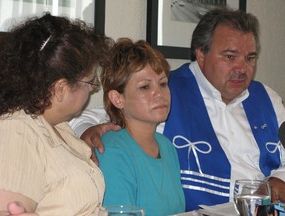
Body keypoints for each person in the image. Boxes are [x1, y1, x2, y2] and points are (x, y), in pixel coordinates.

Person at [69, 8, 285, 211]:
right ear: (201, 55)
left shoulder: (268, 99)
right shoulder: (168, 90)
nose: (241, 68)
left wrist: (279, 179)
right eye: (230, 57)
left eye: (250, 58)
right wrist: (89, 131)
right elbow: (97, 115)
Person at [0, 12, 112, 215]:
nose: (93, 90)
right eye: (90, 82)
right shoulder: (18, 131)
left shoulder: (58, 127)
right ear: (60, 88)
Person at [96, 38, 185, 215]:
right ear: (117, 99)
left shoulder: (167, 146)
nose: (159, 93)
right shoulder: (113, 151)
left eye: (163, 83)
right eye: (145, 87)